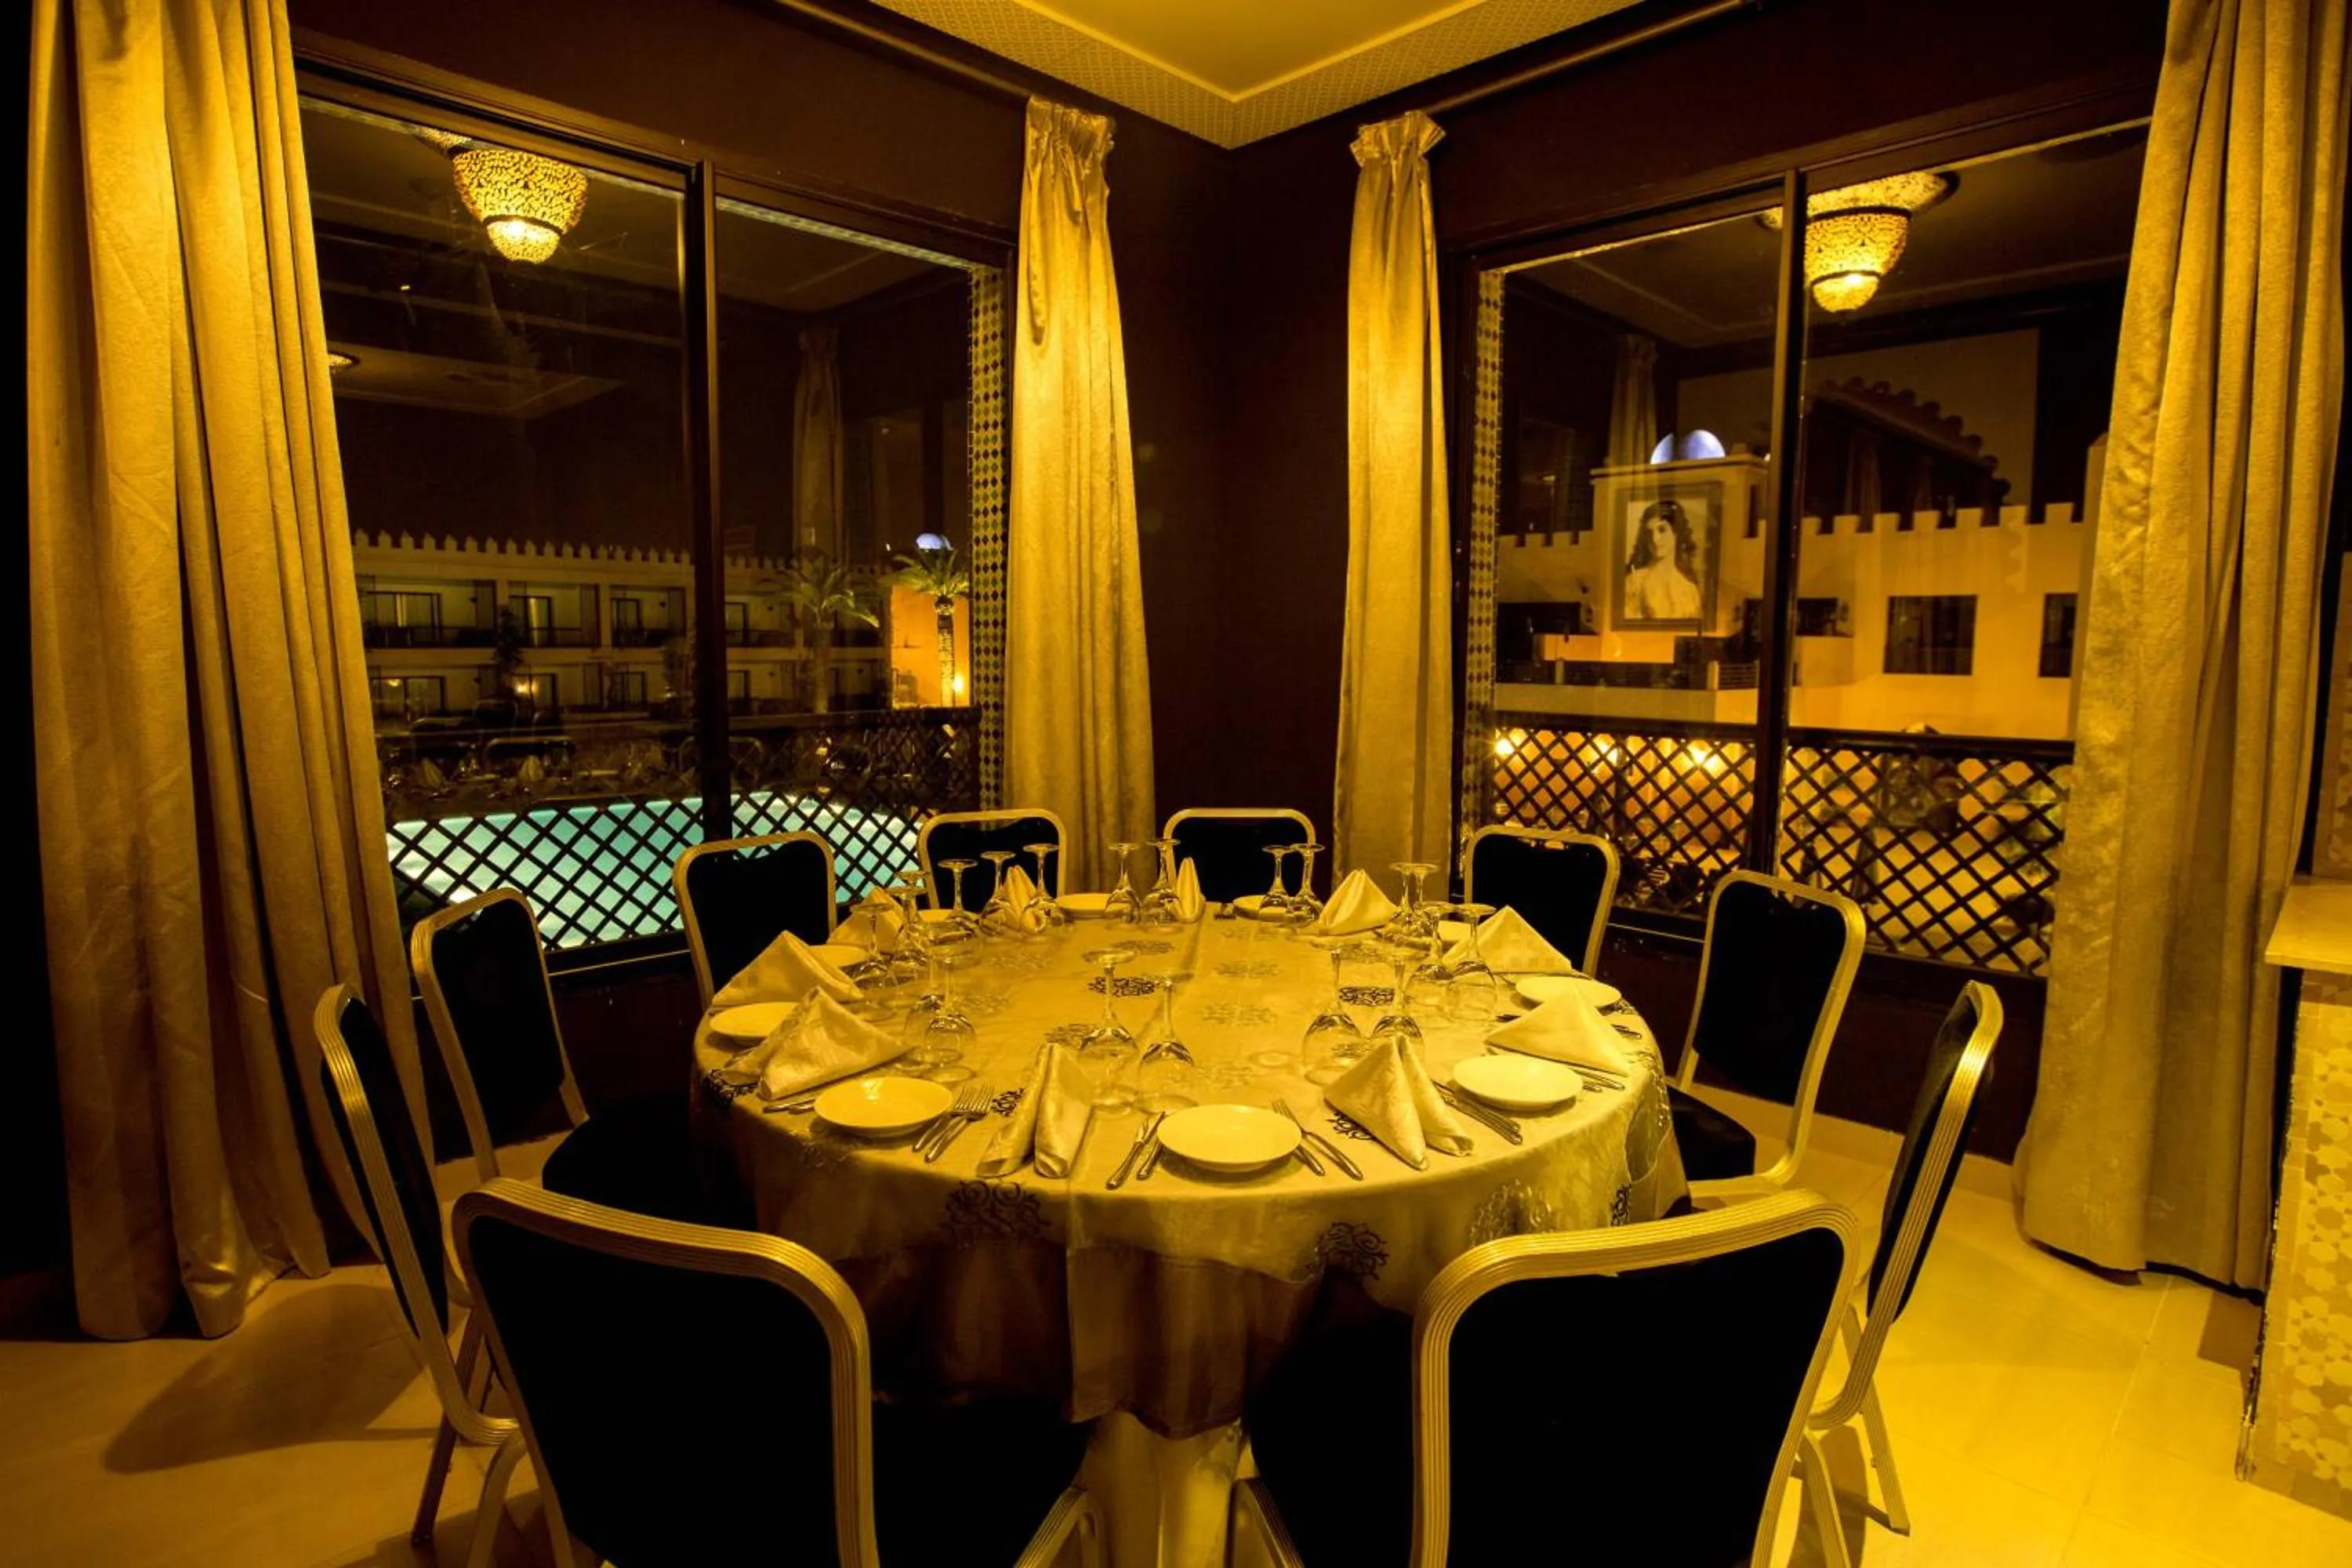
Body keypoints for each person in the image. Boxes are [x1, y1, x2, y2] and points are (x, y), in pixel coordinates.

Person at [1623, 498, 1703, 621]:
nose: (1655, 539)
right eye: (1649, 533)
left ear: (1676, 532)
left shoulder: (1690, 591)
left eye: (1662, 530)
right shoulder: (1634, 583)